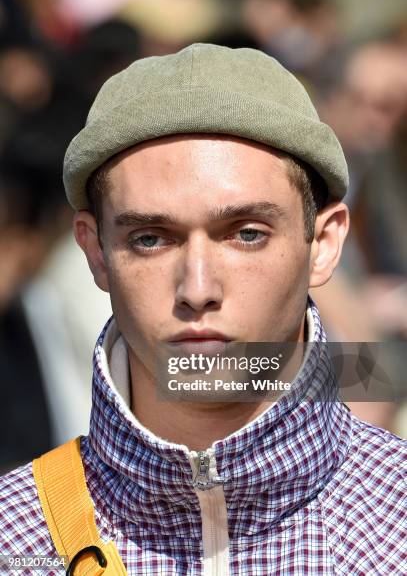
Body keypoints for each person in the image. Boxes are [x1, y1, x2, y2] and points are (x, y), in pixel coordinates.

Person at [0, 43, 405, 575]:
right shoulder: (16, 538)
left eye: (246, 234)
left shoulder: (392, 526)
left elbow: (372, 377)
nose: (197, 287)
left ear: (324, 244)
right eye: (150, 239)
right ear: (95, 251)